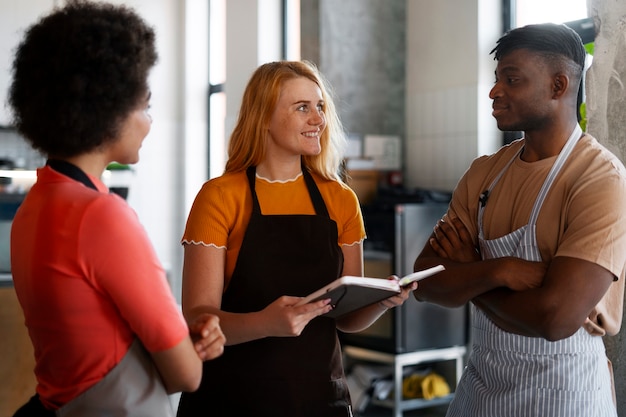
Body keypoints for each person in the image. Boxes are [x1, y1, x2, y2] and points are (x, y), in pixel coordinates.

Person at [8, 2, 226, 416]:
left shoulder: (33, 208)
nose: (148, 121)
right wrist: (188, 349)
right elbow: (187, 375)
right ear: (107, 107)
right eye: (144, 105)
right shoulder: (103, 216)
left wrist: (181, 338)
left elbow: (90, 340)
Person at [176, 60, 416, 417]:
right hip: (232, 396)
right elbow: (198, 318)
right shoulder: (221, 196)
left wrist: (380, 301)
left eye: (320, 107)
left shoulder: (341, 200)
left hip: (318, 396)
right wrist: (266, 323)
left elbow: (345, 318)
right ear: (263, 118)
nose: (318, 119)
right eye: (302, 108)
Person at [412, 23, 626, 417]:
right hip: (481, 391)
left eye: (512, 79)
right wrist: (502, 270)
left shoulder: (598, 178)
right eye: (497, 79)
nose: (495, 91)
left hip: (565, 394)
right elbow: (425, 281)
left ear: (558, 86)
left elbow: (556, 318)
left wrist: (474, 273)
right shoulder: (484, 173)